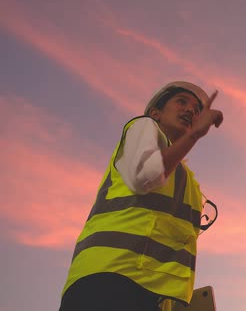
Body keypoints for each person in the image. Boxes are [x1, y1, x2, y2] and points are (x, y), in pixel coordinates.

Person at [59, 81, 224, 311]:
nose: (190, 110)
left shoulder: (185, 179)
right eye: (182, 102)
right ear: (155, 113)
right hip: (110, 279)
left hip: (148, 291)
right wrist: (195, 135)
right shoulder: (144, 126)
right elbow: (143, 174)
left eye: (197, 110)